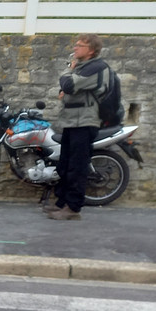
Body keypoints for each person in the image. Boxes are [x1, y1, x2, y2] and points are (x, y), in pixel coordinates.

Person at [45, 34, 113, 221]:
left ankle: (73, 208)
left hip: (84, 123)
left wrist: (68, 71)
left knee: (77, 166)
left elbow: (68, 84)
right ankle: (62, 203)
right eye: (75, 44)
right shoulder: (84, 67)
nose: (75, 48)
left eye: (79, 45)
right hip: (72, 121)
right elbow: (68, 89)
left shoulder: (96, 67)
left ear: (91, 50)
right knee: (65, 164)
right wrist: (66, 87)